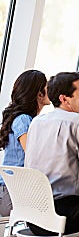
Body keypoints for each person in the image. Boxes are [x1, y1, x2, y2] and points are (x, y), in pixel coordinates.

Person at [24, 72, 79, 235]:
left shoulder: (37, 122)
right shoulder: (78, 122)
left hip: (34, 216)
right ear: (64, 99)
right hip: (66, 216)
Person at [0, 70, 50, 216]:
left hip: (10, 190)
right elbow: (32, 154)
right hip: (12, 193)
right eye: (47, 86)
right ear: (39, 94)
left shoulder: (25, 119)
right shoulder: (24, 119)